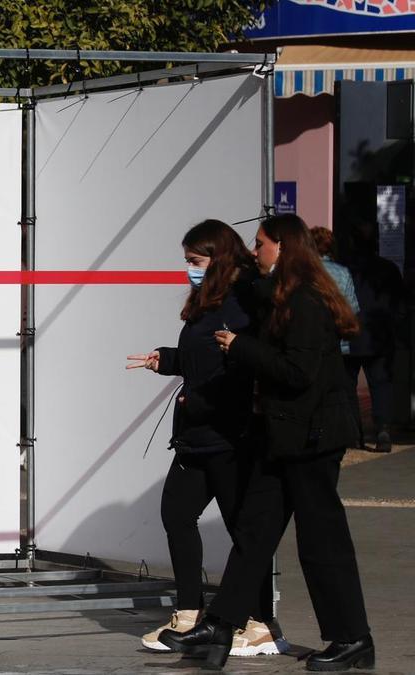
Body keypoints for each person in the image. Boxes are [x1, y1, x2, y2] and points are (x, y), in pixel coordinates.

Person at [160, 214, 372, 671]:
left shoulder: (308, 303)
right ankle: (220, 624)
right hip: (284, 438)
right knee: (254, 534)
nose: (256, 252)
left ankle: (352, 638)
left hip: (313, 440)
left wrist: (240, 347)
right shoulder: (280, 295)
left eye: (261, 245)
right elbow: (247, 290)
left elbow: (298, 374)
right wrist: (228, 268)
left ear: (284, 247)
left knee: (322, 543)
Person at [127, 220, 281, 657]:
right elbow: (201, 357)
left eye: (195, 261)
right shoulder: (206, 302)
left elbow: (237, 367)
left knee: (243, 530)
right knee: (177, 514)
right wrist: (168, 360)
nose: (189, 270)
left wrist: (199, 398)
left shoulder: (243, 302)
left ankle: (259, 623)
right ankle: (190, 613)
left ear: (218, 258)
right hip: (197, 436)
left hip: (228, 437)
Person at [342, 219, 404, 453]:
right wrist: (393, 325)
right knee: (381, 384)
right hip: (379, 335)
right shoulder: (388, 269)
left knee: (347, 386)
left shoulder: (344, 268)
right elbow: (400, 303)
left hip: (350, 335)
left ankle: (353, 434)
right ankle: (383, 429)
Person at [309, 227, 359, 358]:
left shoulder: (303, 271)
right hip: (337, 342)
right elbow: (352, 308)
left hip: (310, 341)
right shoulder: (343, 272)